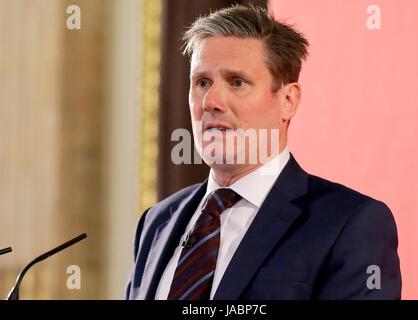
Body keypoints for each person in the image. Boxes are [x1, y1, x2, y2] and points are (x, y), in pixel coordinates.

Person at [125, 5, 401, 300]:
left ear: (288, 101)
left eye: (237, 82)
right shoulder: (157, 222)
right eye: (202, 82)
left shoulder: (349, 224)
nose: (211, 101)